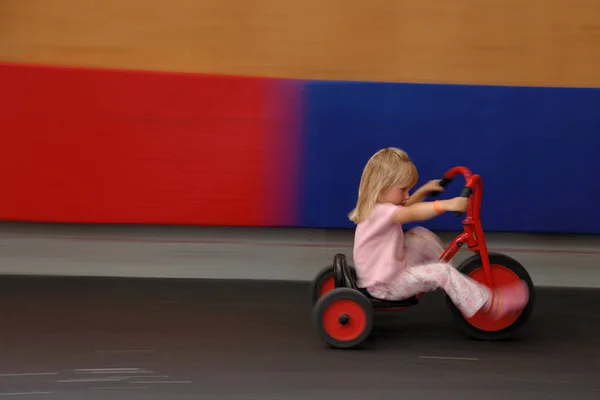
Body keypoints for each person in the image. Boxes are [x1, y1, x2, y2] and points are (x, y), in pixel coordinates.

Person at [348, 147, 529, 320]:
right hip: (386, 286)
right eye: (403, 190)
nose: (407, 195)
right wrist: (446, 205)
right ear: (381, 187)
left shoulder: (380, 207)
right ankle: (490, 304)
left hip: (390, 269)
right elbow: (409, 213)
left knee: (419, 234)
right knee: (442, 272)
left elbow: (407, 208)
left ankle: (454, 283)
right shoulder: (380, 212)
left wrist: (423, 190)